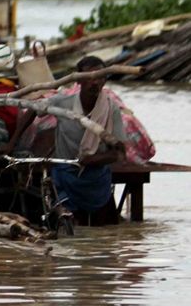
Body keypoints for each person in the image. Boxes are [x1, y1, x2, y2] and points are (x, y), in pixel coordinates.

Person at [9, 56, 127, 225]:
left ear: (105, 81)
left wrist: (93, 160)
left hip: (96, 177)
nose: (94, 82)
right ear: (78, 80)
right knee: (66, 224)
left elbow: (119, 153)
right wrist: (12, 142)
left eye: (99, 77)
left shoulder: (111, 109)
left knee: (106, 228)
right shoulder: (63, 102)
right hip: (65, 174)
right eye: (88, 77)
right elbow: (33, 109)